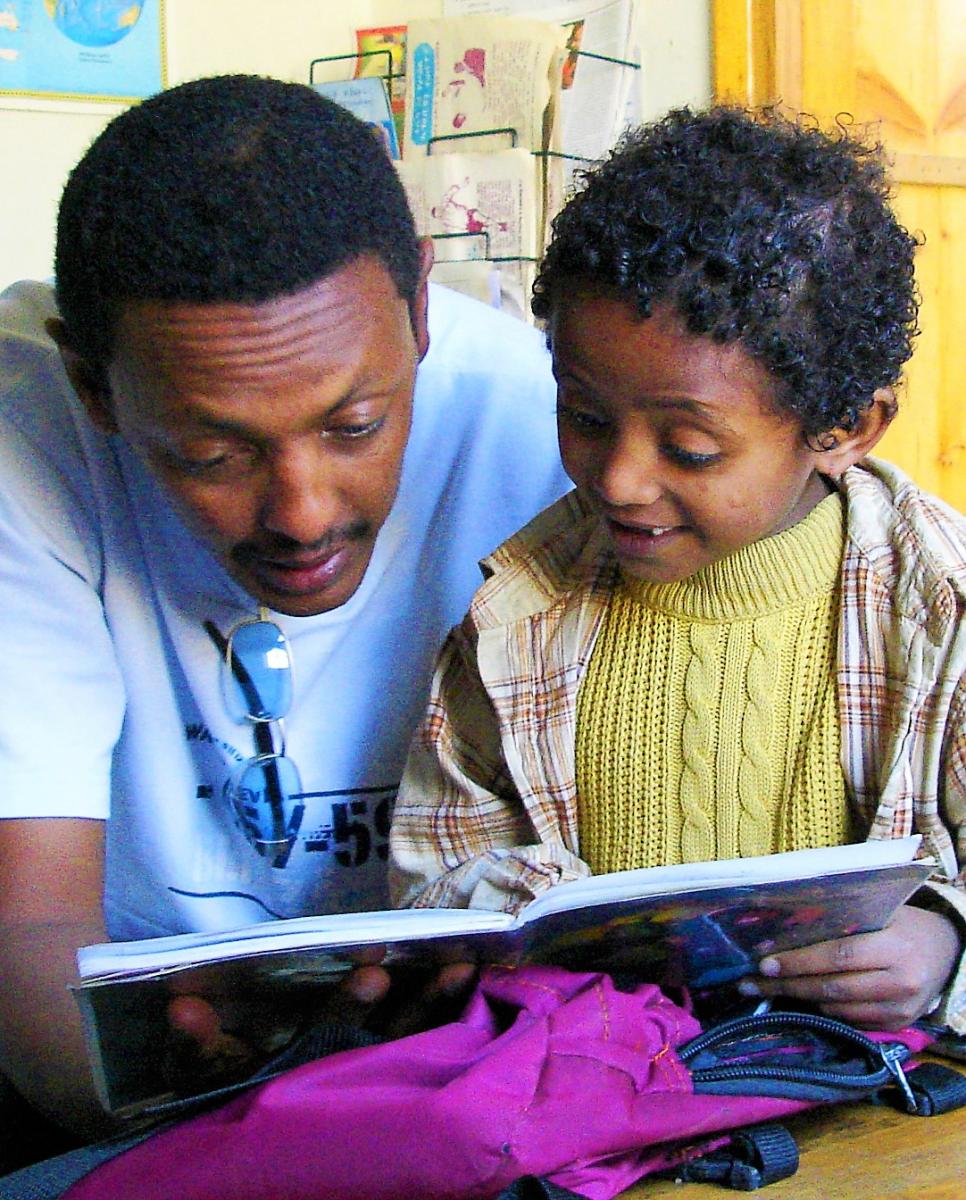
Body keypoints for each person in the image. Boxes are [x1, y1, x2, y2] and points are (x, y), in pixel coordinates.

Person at [0, 74, 570, 1163]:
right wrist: (200, 1135)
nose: (302, 513)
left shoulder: (544, 424)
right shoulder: (19, 430)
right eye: (212, 456)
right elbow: (27, 928)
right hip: (133, 1074)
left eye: (355, 425)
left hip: (458, 1055)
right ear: (94, 386)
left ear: (419, 320)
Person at [389, 106, 966, 1038]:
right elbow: (435, 870)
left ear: (847, 429)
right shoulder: (517, 614)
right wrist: (550, 928)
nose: (618, 478)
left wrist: (945, 946)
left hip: (875, 1116)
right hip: (607, 1104)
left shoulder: (941, 608)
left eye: (690, 448)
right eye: (583, 414)